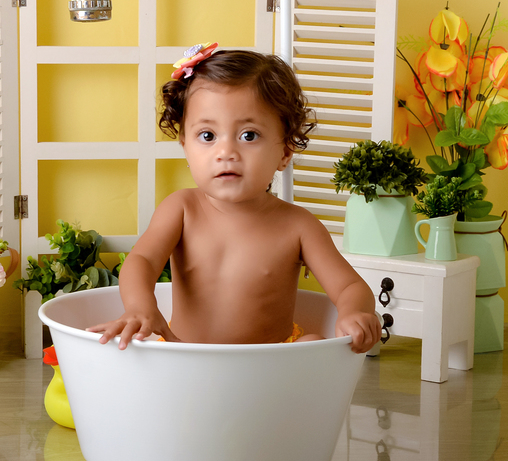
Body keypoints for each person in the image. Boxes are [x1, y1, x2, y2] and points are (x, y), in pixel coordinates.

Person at [86, 43, 382, 353]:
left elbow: (349, 285)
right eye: (208, 136)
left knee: (314, 344)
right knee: (138, 352)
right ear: (185, 145)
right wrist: (140, 307)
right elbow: (142, 261)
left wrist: (354, 312)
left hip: (271, 360)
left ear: (284, 151)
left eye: (249, 135)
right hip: (185, 353)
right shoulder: (182, 209)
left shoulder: (298, 226)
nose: (226, 153)